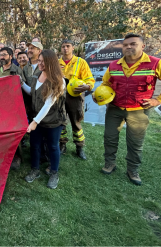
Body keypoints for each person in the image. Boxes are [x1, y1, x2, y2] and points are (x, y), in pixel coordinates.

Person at [93, 33, 161, 185]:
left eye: (133, 44)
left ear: (142, 46)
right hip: (115, 109)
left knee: (135, 142)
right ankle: (110, 163)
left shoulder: (155, 63)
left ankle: (133, 169)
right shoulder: (114, 65)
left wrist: (157, 100)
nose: (128, 47)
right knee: (109, 138)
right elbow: (105, 84)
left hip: (139, 110)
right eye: (125, 45)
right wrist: (99, 95)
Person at [21, 50, 66, 189]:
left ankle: (54, 173)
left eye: (42, 61)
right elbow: (33, 93)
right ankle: (35, 169)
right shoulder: (37, 76)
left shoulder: (59, 81)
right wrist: (21, 83)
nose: (39, 64)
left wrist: (34, 122)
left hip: (53, 121)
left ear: (51, 62)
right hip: (36, 119)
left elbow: (48, 104)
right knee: (35, 145)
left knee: (53, 146)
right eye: (39, 60)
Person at [59, 40, 95, 160]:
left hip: (74, 96)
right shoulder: (57, 63)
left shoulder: (80, 62)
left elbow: (89, 79)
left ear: (73, 48)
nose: (65, 49)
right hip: (59, 96)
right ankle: (62, 145)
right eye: (63, 46)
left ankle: (79, 147)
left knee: (76, 122)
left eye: (68, 46)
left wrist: (88, 86)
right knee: (60, 121)